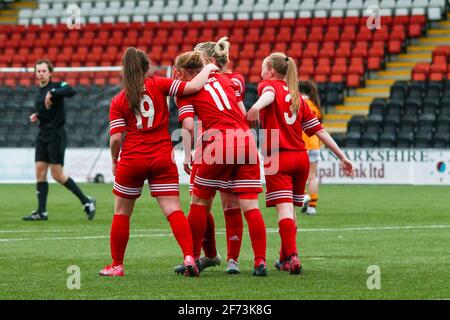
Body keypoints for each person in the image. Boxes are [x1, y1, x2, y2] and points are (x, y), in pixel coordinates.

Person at [99, 48, 219, 277]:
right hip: (161, 157)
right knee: (173, 210)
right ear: (147, 68)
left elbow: (115, 138)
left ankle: (117, 265)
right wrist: (210, 68)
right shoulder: (160, 84)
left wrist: (115, 160)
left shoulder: (118, 100)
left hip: (132, 159)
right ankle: (189, 257)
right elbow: (193, 87)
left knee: (121, 213)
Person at [246, 53, 354, 274]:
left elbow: (267, 95)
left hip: (279, 157)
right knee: (292, 212)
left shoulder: (268, 86)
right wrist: (342, 157)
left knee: (284, 210)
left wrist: (256, 107)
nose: (261, 70)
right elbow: (320, 131)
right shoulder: (297, 97)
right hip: (300, 158)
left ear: (271, 71)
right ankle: (284, 258)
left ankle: (293, 256)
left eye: (263, 66)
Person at [173, 50, 268, 276]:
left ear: (186, 71)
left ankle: (193, 259)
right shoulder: (226, 80)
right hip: (246, 140)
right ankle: (260, 262)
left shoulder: (186, 91)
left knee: (199, 202)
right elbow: (242, 112)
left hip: (219, 142)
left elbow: (187, 126)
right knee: (250, 206)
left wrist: (187, 155)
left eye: (179, 71)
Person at [23, 59, 96, 221]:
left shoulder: (57, 86)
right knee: (40, 172)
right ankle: (41, 212)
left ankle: (87, 201)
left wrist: (53, 93)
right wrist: (37, 116)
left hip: (56, 135)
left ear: (50, 72)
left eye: (44, 70)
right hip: (43, 134)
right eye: (38, 71)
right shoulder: (39, 92)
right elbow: (47, 112)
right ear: (36, 74)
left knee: (57, 175)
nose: (41, 73)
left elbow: (71, 90)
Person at [299, 80, 323, 215]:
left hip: (301, 142)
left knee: (296, 174)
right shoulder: (315, 106)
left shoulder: (298, 103)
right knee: (312, 176)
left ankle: (303, 195)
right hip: (314, 143)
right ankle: (312, 207)